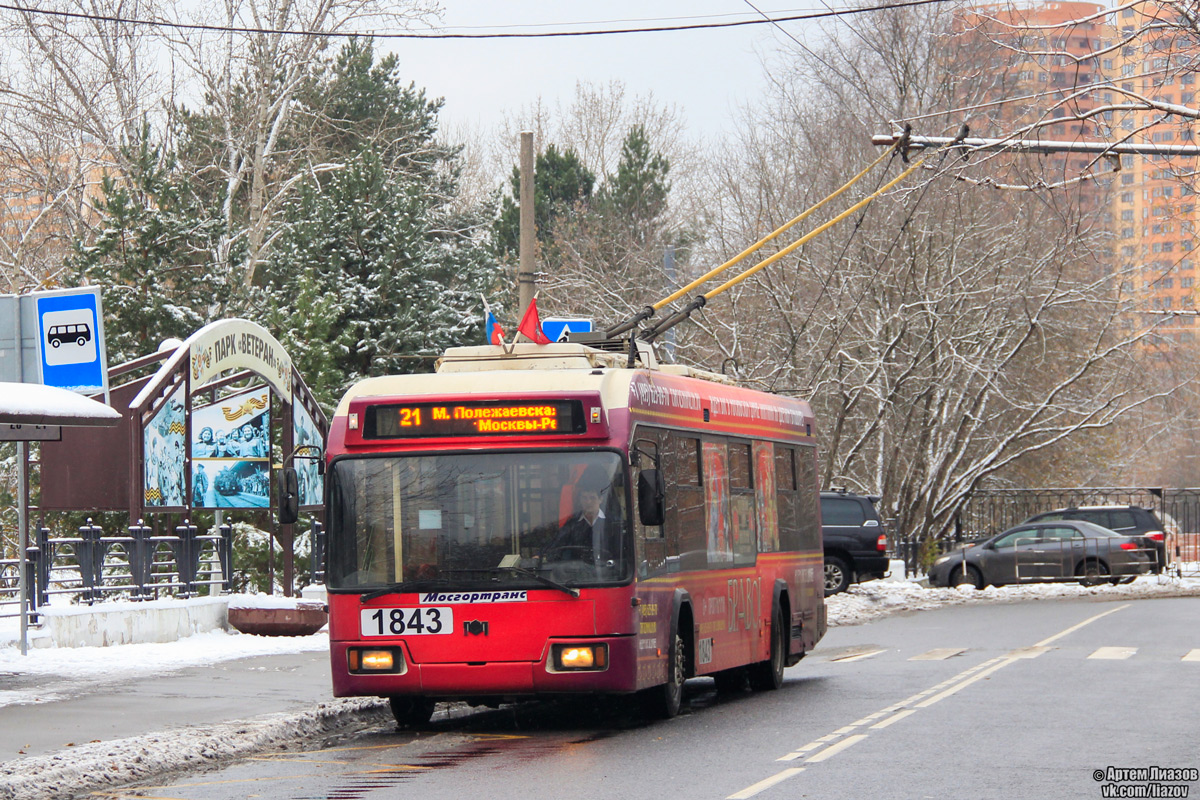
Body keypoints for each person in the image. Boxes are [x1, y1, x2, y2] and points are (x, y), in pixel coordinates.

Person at [544, 483, 614, 564]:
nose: (588, 502)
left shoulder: (611, 521)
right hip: (577, 570)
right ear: (580, 500)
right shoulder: (573, 522)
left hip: (606, 569)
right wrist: (542, 555)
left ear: (600, 500)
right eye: (584, 498)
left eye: (592, 498)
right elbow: (559, 540)